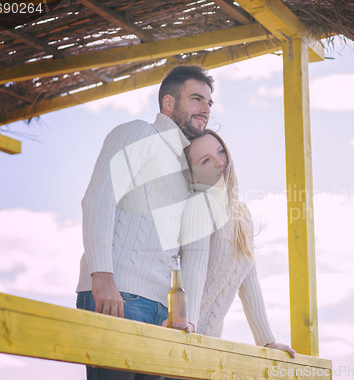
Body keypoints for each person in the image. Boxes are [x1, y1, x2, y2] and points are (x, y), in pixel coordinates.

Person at [75, 65, 214, 380]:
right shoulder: (138, 132)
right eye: (196, 99)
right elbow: (99, 198)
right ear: (168, 103)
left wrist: (185, 318)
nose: (205, 109)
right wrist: (103, 277)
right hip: (116, 295)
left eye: (209, 103)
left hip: (164, 315)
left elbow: (196, 251)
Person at [177, 130, 296, 358]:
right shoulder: (198, 205)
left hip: (210, 343)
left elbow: (248, 280)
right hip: (183, 337)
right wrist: (189, 327)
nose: (220, 162)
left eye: (221, 152)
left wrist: (267, 341)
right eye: (206, 160)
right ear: (192, 176)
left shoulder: (242, 214)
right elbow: (194, 269)